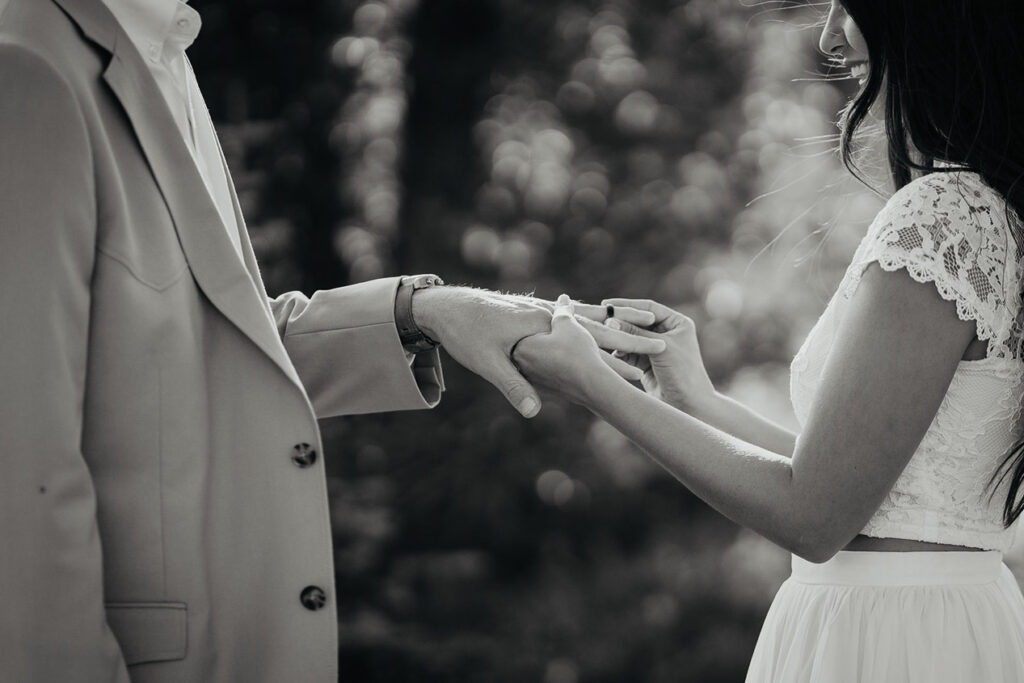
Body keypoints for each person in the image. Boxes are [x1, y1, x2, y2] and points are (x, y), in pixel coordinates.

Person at [0, 0, 664, 681]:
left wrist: (426, 311)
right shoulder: (27, 68)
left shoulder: (164, 51)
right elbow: (19, 476)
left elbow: (212, 346)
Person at [513, 1, 1024, 680]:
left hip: (886, 636)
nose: (831, 35)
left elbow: (813, 517)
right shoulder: (999, 215)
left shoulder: (943, 219)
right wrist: (694, 397)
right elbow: (875, 484)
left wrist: (593, 384)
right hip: (948, 622)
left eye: (852, 4)